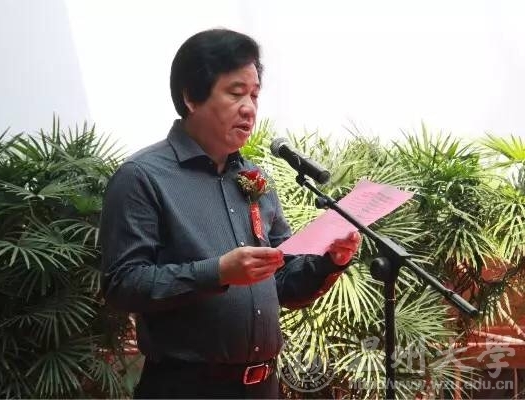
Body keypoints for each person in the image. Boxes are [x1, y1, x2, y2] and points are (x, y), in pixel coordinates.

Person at [100, 28, 361, 399]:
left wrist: (329, 261)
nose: (250, 107)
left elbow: (283, 281)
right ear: (191, 97)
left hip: (263, 387)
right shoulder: (142, 177)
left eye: (254, 95)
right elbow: (122, 285)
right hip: (188, 389)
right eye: (236, 93)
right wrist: (218, 272)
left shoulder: (256, 177)